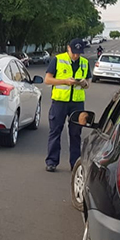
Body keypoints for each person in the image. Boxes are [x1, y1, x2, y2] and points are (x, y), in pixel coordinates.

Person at [44, 38, 91, 172]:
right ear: (68, 48)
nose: (76, 55)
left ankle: (74, 164)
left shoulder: (84, 62)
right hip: (60, 102)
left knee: (76, 134)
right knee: (55, 131)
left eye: (79, 53)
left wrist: (84, 83)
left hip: (77, 103)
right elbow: (47, 80)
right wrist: (65, 81)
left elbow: (88, 83)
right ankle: (52, 162)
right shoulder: (58, 60)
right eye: (74, 52)